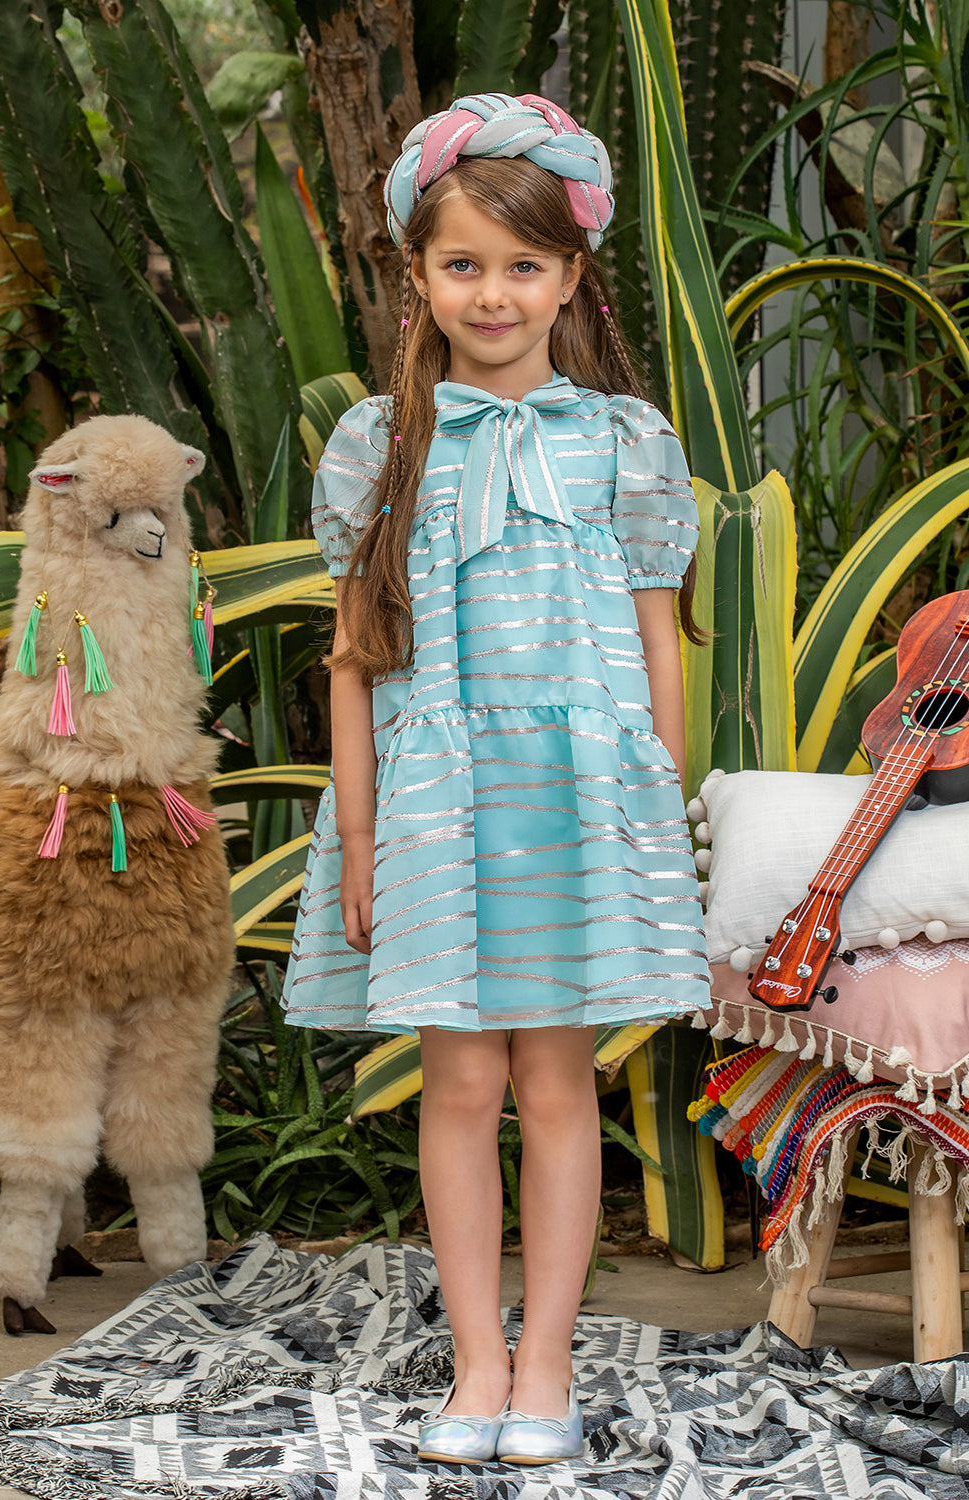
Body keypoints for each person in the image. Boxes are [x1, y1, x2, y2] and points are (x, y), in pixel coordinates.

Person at [282, 92, 710, 1467]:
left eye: (525, 264)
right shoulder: (378, 446)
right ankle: (476, 1365)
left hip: (577, 804)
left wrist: (658, 813)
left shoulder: (626, 440)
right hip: (439, 811)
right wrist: (360, 843)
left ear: (571, 277)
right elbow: (355, 658)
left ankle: (546, 1365)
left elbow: (659, 638)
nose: (494, 293)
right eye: (462, 263)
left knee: (560, 1086)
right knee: (462, 1087)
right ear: (417, 276)